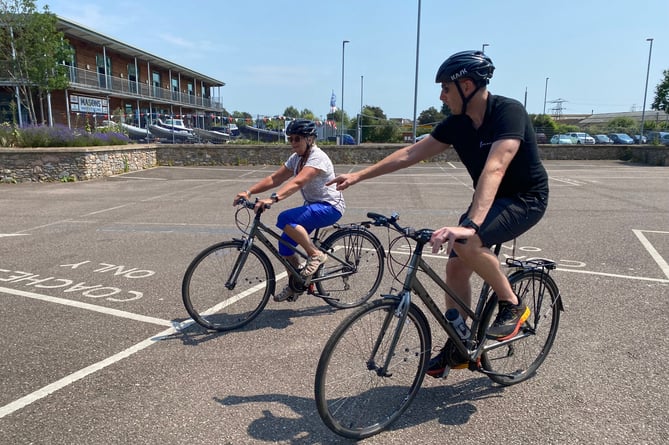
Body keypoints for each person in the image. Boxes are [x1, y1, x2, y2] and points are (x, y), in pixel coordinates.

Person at [327, 50, 548, 377]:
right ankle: (458, 347)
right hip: (488, 201)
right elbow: (411, 152)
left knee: (468, 244)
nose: (442, 96)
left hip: (525, 199)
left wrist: (471, 225)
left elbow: (496, 167)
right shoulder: (458, 124)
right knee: (455, 269)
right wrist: (359, 175)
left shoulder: (508, 112)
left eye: (446, 88)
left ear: (468, 85)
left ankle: (512, 304)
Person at [233, 118, 345, 302]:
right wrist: (248, 191)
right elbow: (275, 179)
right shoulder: (296, 159)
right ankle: (297, 282)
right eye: (290, 139)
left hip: (330, 207)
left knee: (284, 218)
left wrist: (273, 198)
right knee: (284, 245)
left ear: (309, 139)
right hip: (312, 206)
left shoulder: (318, 157)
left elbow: (299, 181)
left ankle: (315, 255)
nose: (293, 143)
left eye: (297, 139)